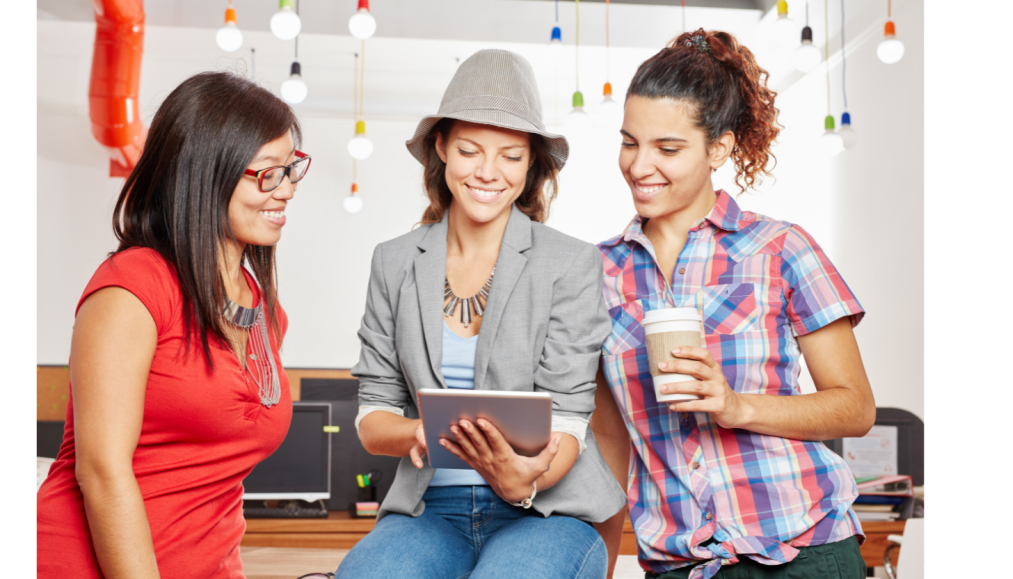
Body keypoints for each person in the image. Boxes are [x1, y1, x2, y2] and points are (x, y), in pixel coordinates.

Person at [590, 30, 874, 579]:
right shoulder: (597, 273)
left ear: (718, 147)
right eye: (630, 142)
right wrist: (597, 565)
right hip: (679, 564)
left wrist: (737, 406)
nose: (639, 165)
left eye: (667, 148)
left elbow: (856, 407)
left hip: (803, 552)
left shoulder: (780, 248)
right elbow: (610, 438)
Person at [337, 49, 624, 579]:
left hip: (544, 509)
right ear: (441, 147)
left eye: (511, 156)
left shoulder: (570, 261)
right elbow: (373, 418)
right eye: (470, 150)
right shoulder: (394, 261)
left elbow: (566, 419)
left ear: (532, 162)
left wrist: (525, 479)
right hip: (430, 512)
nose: (488, 173)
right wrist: (418, 433)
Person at [35, 71, 310, 579]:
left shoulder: (264, 311)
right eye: (268, 173)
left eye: (292, 169)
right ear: (204, 173)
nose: (288, 189)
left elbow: (217, 482)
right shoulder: (132, 287)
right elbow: (101, 472)